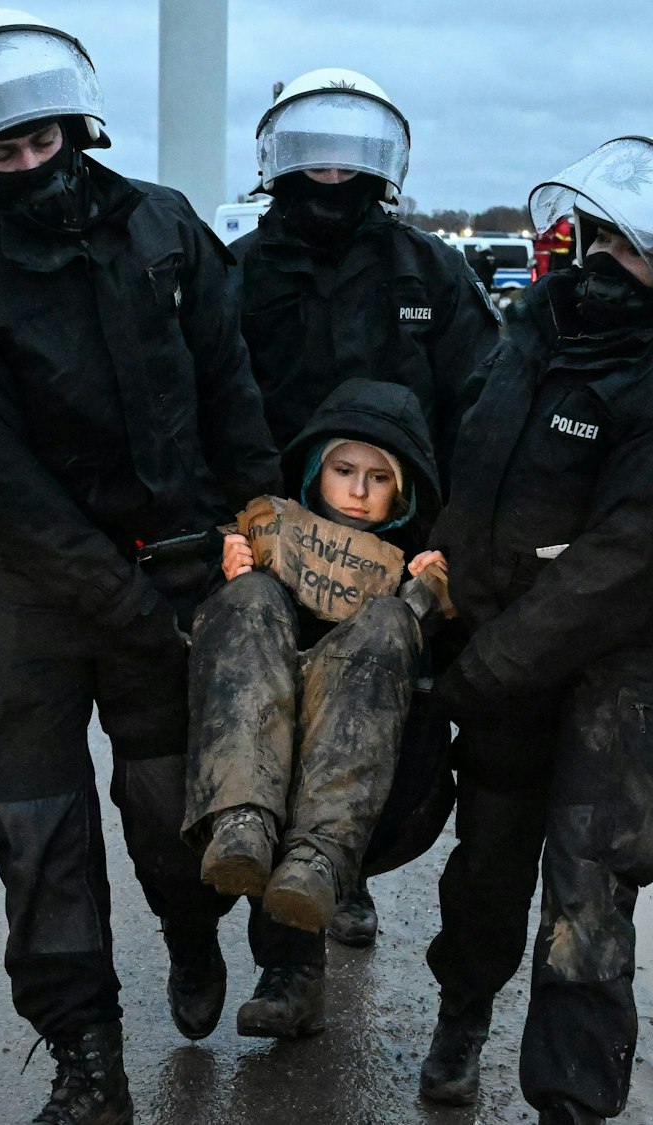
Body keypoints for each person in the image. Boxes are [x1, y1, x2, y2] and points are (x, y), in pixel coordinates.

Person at [0, 11, 279, 1124]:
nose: (25, 166)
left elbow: (228, 384)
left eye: (38, 142)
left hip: (181, 555)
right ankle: (83, 1055)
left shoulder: (164, 228)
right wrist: (120, 603)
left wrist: (260, 522)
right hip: (30, 580)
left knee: (166, 798)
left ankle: (191, 938)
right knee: (34, 816)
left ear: (73, 124)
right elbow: (1, 482)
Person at [415, 136, 653, 1124]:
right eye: (599, 232)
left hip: (616, 670)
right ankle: (460, 1015)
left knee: (590, 886)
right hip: (491, 650)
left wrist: (481, 671)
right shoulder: (532, 334)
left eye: (637, 247)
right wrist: (442, 606)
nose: (606, 256)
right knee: (485, 857)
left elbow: (617, 571)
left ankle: (569, 1101)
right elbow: (470, 482)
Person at [229, 66, 499, 952]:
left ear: (384, 165)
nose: (333, 176)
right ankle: (284, 965)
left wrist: (452, 546)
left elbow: (482, 411)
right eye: (316, 158)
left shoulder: (433, 271)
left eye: (353, 161)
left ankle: (343, 872)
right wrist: (234, 525)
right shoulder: (242, 274)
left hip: (396, 559)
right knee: (267, 723)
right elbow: (204, 401)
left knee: (383, 729)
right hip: (275, 545)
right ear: (279, 160)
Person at [183, 379, 449, 1036]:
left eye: (378, 476)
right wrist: (231, 571)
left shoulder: (416, 560)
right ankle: (242, 825)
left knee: (388, 620)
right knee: (248, 603)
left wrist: (433, 605)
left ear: (403, 490)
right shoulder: (269, 530)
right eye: (343, 469)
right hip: (252, 757)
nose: (358, 490)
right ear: (315, 471)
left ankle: (319, 860)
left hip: (364, 782)